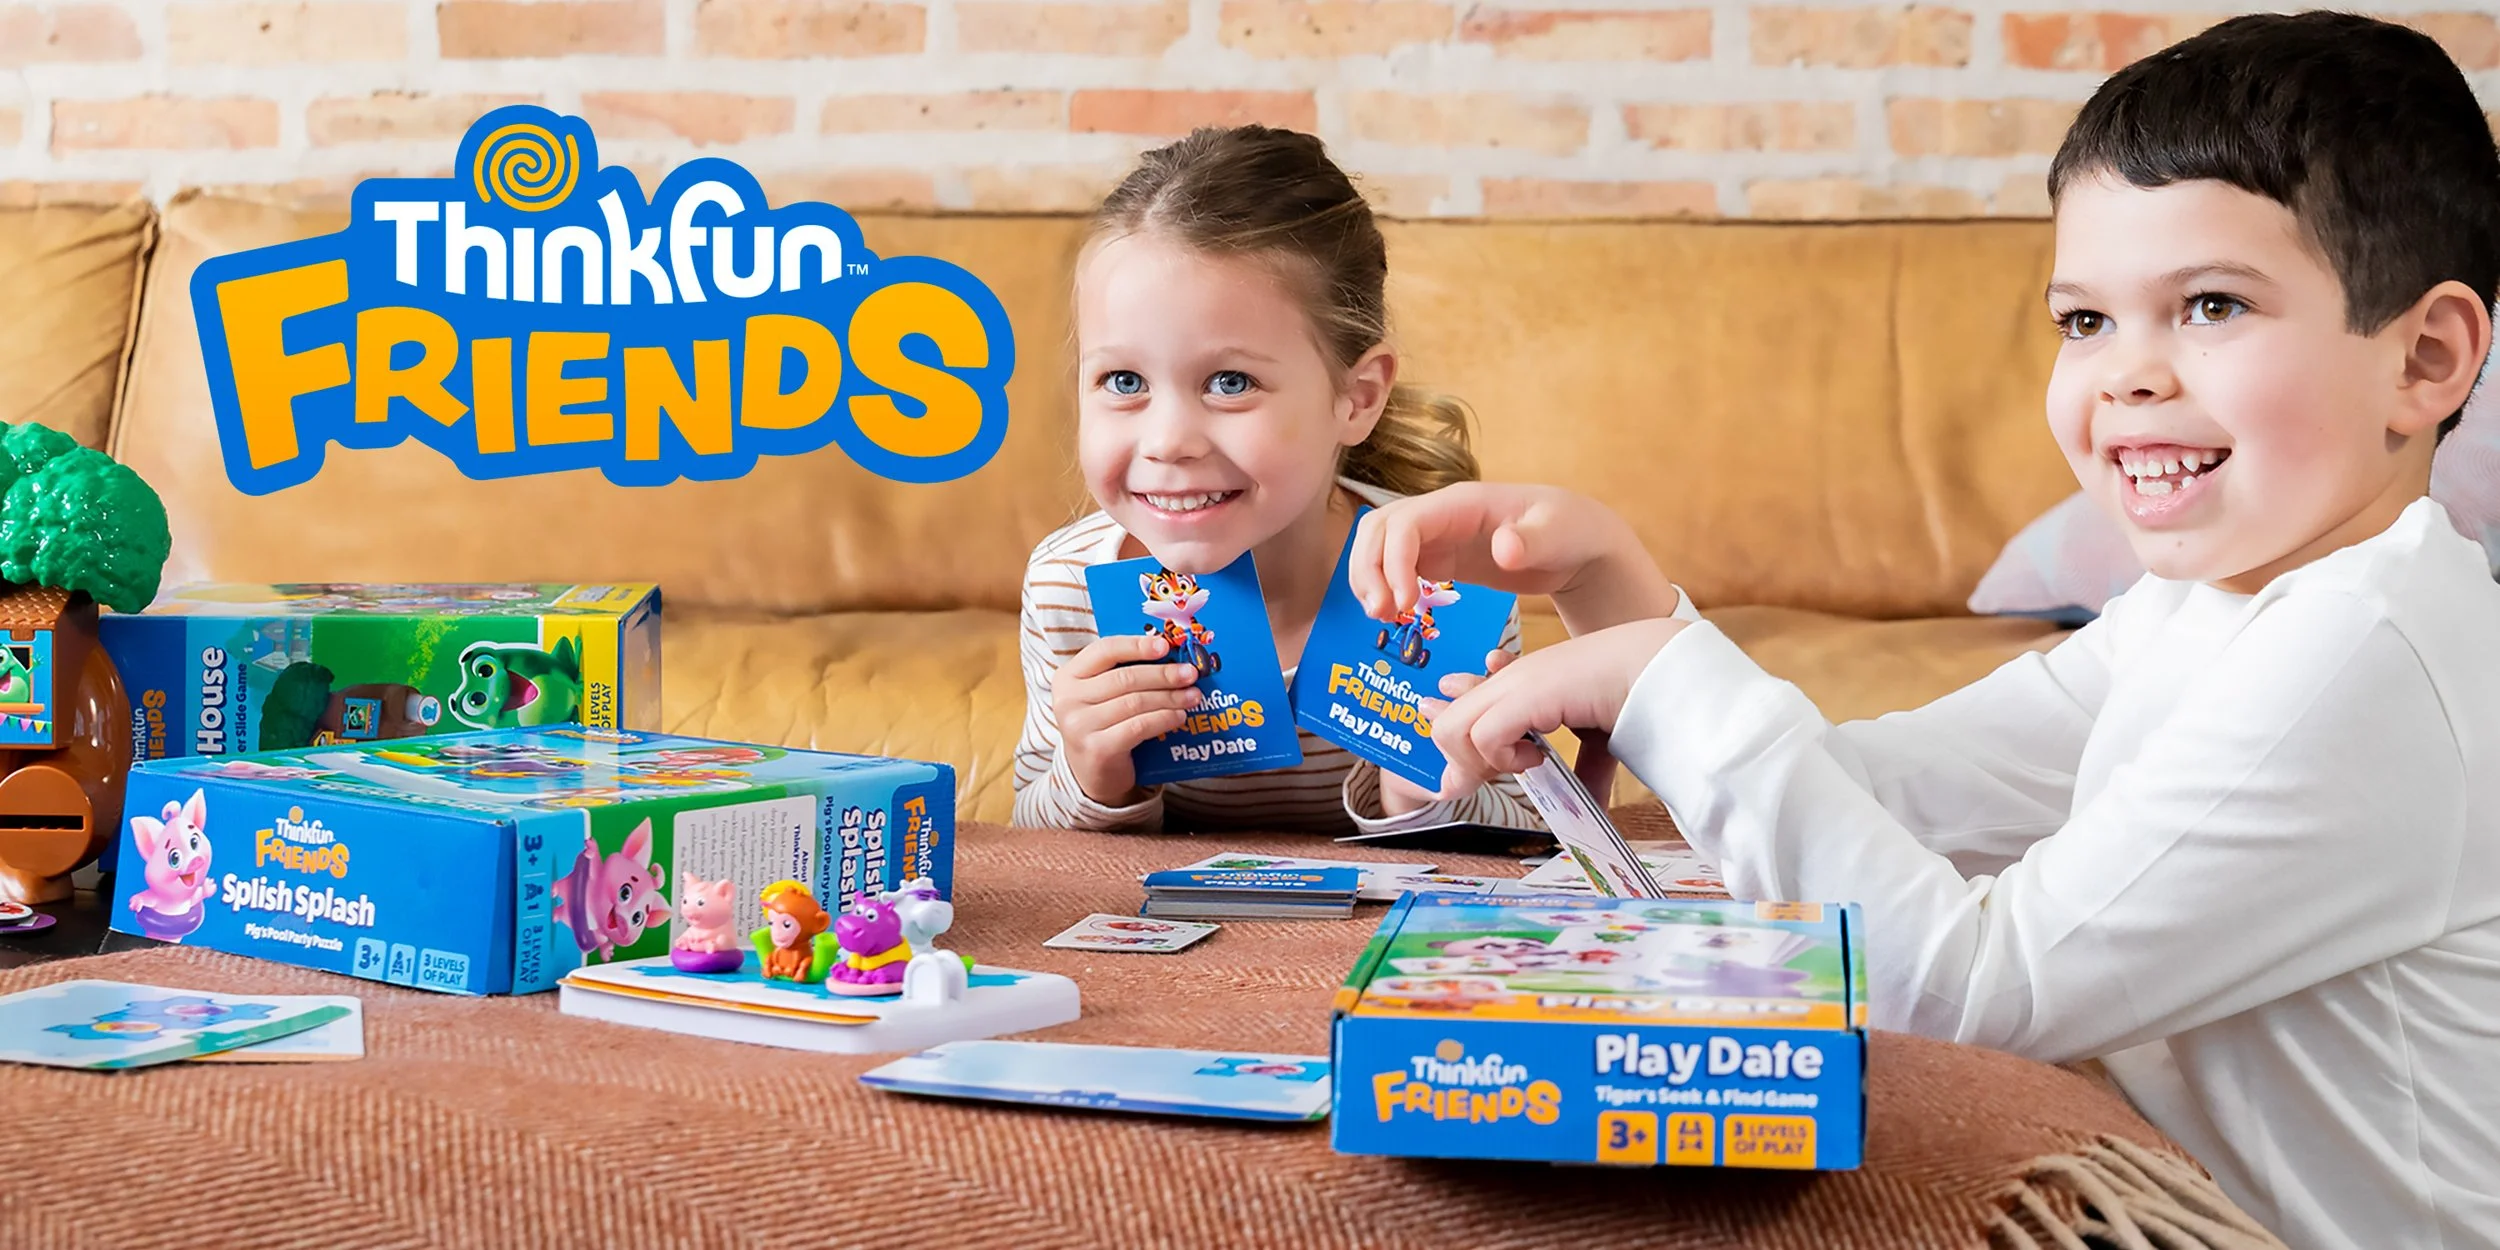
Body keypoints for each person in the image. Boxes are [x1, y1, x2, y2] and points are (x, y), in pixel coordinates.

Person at [1351, 14, 2500, 1247]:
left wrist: (1661, 677)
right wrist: (1607, 581)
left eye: (2210, 304)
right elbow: (1878, 803)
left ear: (2423, 359)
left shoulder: (2357, 651)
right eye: (2084, 322)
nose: (2125, 376)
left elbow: (1962, 994)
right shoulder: (2206, 605)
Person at [1009, 125, 1538, 834]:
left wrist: (1425, 796)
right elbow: (1030, 853)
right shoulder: (1067, 589)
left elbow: (1534, 834)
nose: (1167, 441)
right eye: (1123, 379)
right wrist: (1093, 778)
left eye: (1230, 382)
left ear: (1356, 397)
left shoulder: (1445, 581)